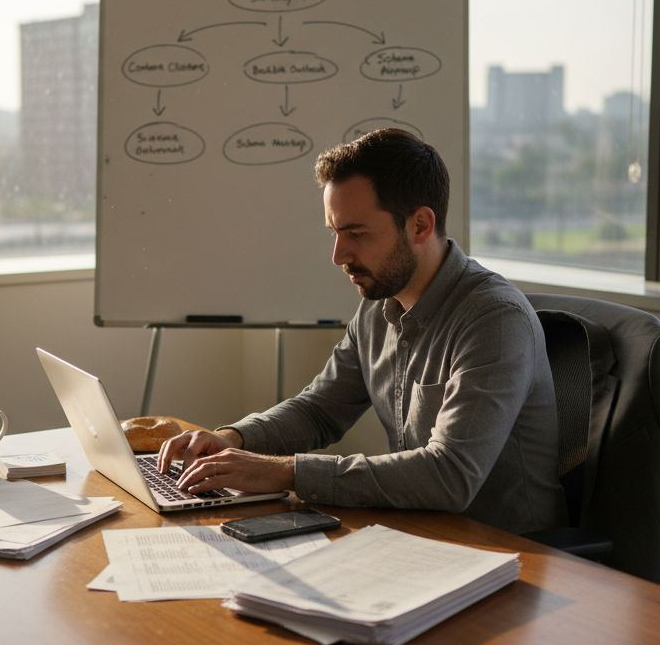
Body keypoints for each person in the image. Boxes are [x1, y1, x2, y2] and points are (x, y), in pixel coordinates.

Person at [158, 128, 566, 534]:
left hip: (508, 554)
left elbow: (450, 475)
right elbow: (319, 410)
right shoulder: (377, 307)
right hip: (416, 534)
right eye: (334, 233)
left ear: (421, 225)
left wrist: (284, 472)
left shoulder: (494, 320)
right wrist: (235, 439)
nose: (339, 256)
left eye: (356, 234)